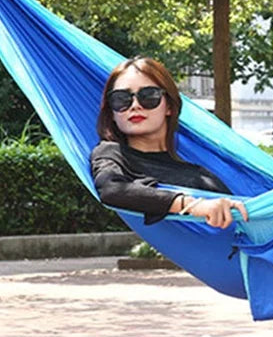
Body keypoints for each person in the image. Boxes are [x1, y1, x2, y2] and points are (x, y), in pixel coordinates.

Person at [91, 56, 249, 229]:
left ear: (169, 107)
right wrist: (190, 205)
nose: (135, 105)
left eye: (149, 96)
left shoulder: (200, 176)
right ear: (112, 114)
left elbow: (243, 219)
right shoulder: (111, 154)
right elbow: (112, 190)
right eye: (121, 99)